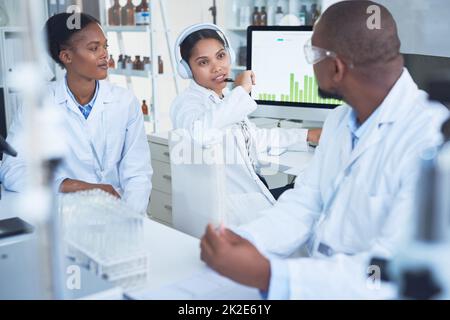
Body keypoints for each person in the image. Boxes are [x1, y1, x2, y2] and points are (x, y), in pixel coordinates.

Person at [199, 0, 450, 299]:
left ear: (335, 67)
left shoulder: (431, 141)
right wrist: (247, 240)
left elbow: (390, 274)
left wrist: (269, 274)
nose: (310, 63)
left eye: (312, 54)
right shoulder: (340, 119)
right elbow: (306, 201)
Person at [0, 13, 152, 214]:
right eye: (93, 48)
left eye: (105, 46)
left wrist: (130, 217)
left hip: (118, 215)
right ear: (66, 56)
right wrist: (79, 186)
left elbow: (138, 173)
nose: (104, 55)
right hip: (65, 216)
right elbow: (12, 170)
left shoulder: (125, 102)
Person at [171, 23, 322, 225]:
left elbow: (255, 137)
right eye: (203, 62)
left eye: (221, 56)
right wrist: (241, 91)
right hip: (231, 210)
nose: (217, 67)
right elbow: (201, 133)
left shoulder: (223, 98)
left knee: (308, 189)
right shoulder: (187, 104)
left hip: (249, 195)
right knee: (315, 197)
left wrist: (306, 135)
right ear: (187, 69)